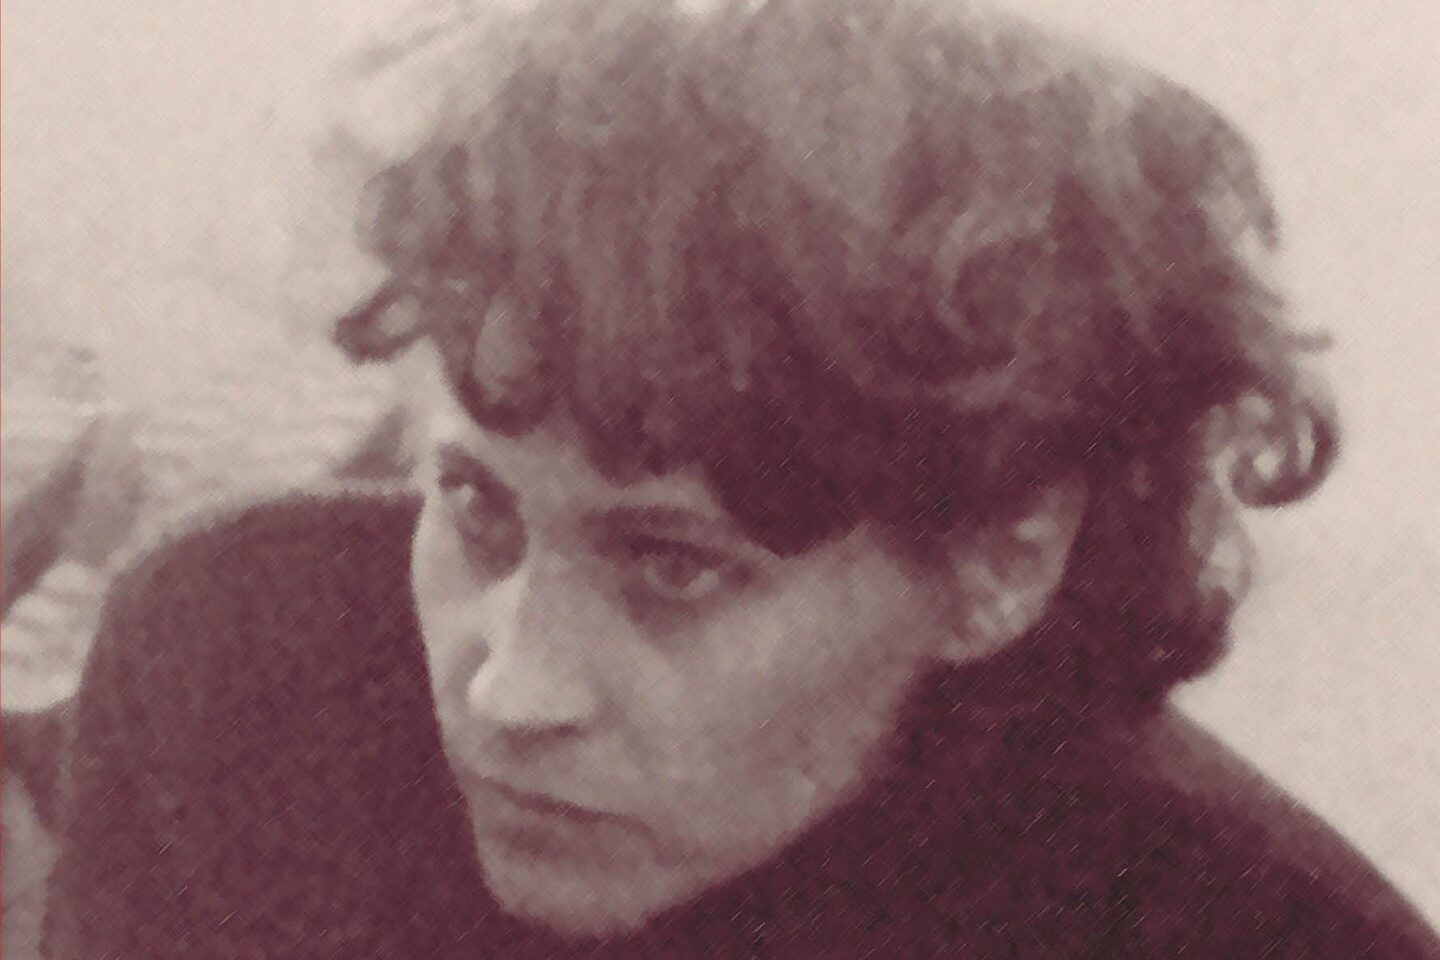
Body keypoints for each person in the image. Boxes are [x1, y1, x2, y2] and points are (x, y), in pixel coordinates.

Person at [41, 0, 1440, 956]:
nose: (510, 693)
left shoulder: (1252, 938)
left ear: (1002, 561)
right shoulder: (234, 682)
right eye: (479, 510)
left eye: (672, 566)